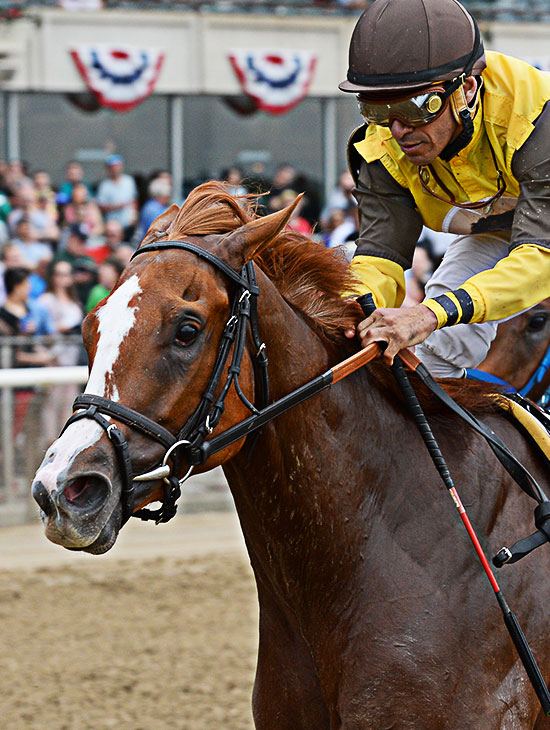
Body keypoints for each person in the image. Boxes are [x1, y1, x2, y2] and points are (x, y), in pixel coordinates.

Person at [338, 0, 550, 378]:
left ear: (466, 89)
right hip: (503, 226)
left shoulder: (536, 116)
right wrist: (345, 312)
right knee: (435, 351)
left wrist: (427, 313)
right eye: (378, 109)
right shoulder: (381, 143)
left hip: (542, 240)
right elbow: (379, 259)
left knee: (436, 313)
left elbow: (540, 257)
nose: (398, 129)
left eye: (417, 106)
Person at [96, 154, 138, 240]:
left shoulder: (129, 181)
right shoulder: (104, 185)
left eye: (116, 166)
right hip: (112, 227)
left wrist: (135, 216)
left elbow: (134, 200)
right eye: (112, 167)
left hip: (128, 224)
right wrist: (115, 206)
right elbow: (101, 206)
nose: (115, 169)